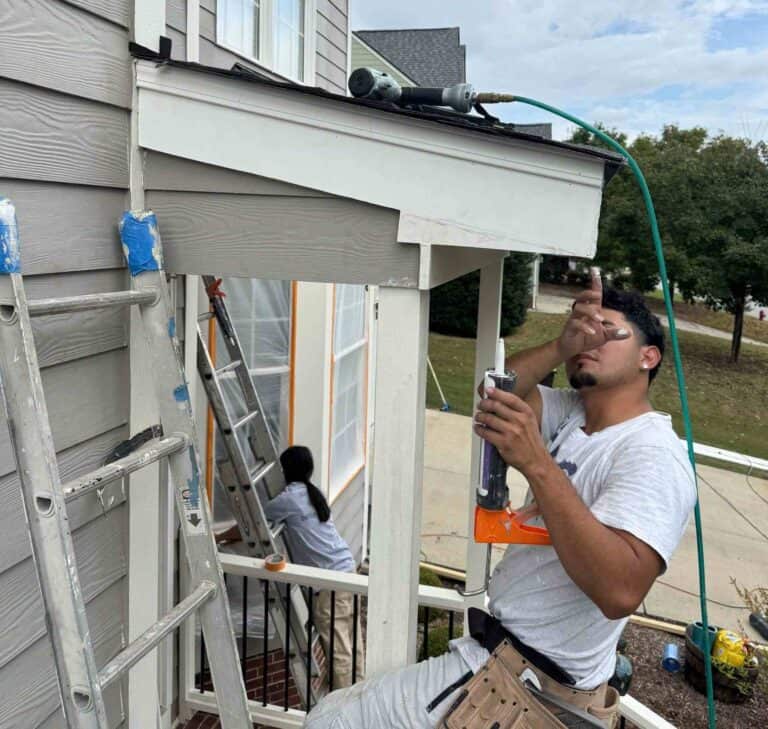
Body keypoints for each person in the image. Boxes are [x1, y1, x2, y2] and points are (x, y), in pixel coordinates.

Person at [304, 271, 696, 728]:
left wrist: (538, 464)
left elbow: (620, 592)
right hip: (499, 659)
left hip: (533, 686)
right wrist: (561, 346)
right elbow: (495, 393)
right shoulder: (574, 415)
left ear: (648, 356)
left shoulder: (651, 454)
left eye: (607, 331)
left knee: (332, 721)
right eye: (585, 327)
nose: (591, 338)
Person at [264, 445, 365, 690]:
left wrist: (220, 536)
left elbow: (255, 520)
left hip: (330, 583)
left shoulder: (289, 499)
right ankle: (360, 692)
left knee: (339, 652)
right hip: (347, 570)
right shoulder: (314, 493)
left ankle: (344, 705)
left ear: (285, 471)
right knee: (352, 642)